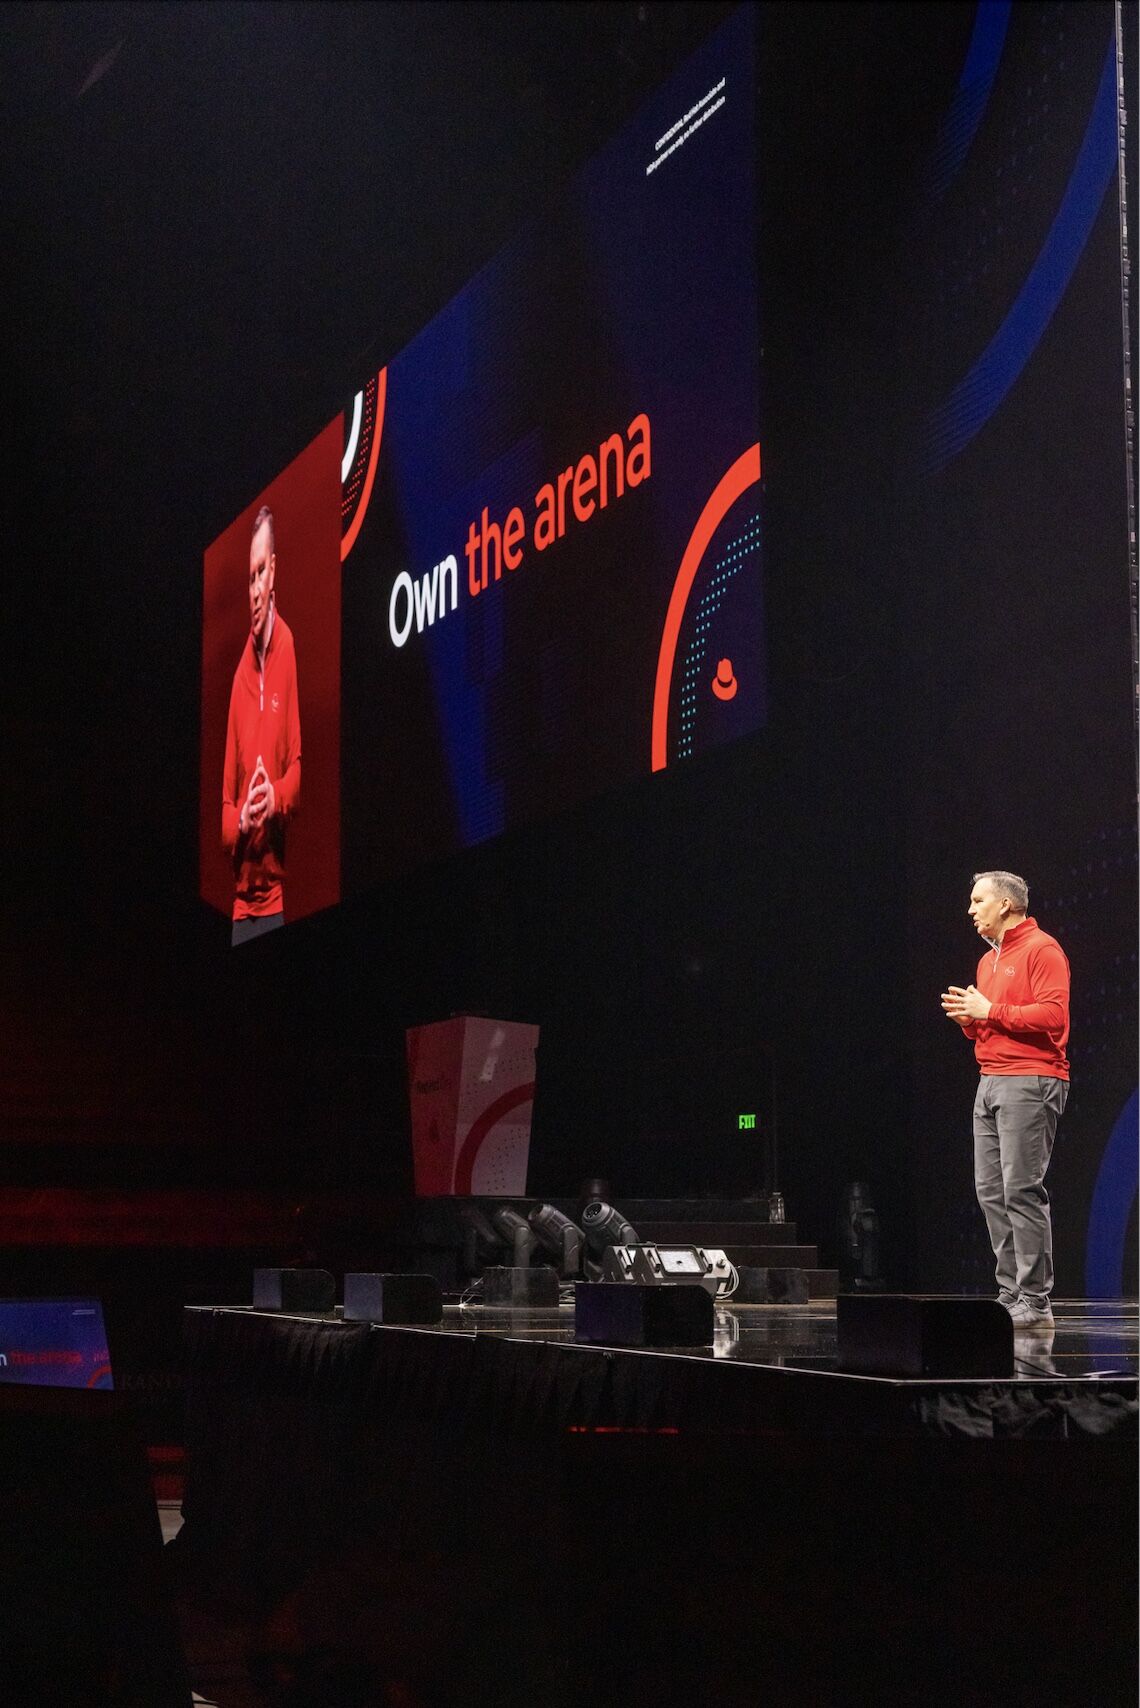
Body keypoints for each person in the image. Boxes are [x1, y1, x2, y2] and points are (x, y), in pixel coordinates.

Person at [941, 870, 1070, 1331]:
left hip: (1030, 1080)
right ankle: (1011, 1293)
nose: (971, 910)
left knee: (1021, 1189)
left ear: (1006, 905)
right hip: (990, 1080)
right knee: (991, 1192)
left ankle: (1035, 1300)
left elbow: (1053, 1015)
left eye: (978, 901)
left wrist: (989, 1010)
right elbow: (991, 1025)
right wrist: (971, 1022)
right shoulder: (986, 961)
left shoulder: (1042, 949)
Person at [222, 506, 301, 946]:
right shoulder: (238, 679)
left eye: (260, 574)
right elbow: (223, 809)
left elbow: (297, 771)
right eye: (248, 579)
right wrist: (241, 818)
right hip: (239, 910)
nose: (254, 590)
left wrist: (273, 799)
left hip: (277, 902)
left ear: (273, 571)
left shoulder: (288, 648)